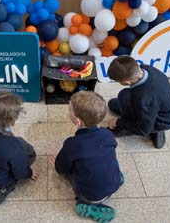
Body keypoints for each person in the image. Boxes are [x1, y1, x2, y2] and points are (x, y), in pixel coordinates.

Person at [50, 91, 123, 223]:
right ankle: (114, 182)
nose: (68, 113)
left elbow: (62, 168)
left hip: (91, 194)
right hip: (115, 182)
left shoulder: (72, 144)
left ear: (78, 121)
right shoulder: (107, 134)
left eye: (69, 110)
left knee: (72, 174)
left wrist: (56, 163)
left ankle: (89, 206)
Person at [107, 55, 170, 149]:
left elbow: (143, 130)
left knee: (124, 96)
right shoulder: (147, 68)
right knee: (114, 103)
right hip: (158, 109)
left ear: (127, 82)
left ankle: (154, 131)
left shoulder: (143, 99)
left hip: (159, 122)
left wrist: (119, 122)